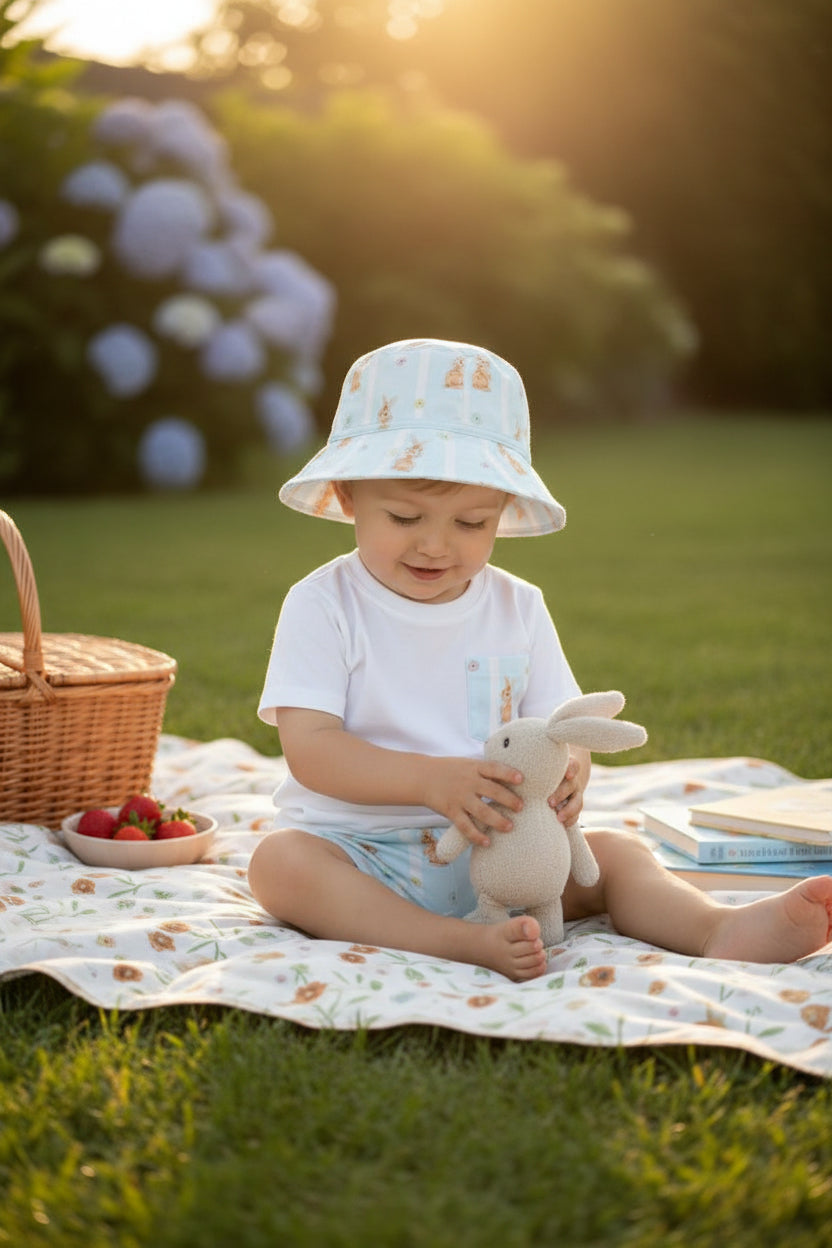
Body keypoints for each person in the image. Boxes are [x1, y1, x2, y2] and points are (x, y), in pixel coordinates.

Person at [248, 338, 832, 980]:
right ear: (348, 494)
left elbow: (560, 726)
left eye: (471, 524)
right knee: (279, 865)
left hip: (503, 854)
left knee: (619, 854)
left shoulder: (517, 606)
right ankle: (449, 941)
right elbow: (313, 748)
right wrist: (430, 782)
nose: (436, 545)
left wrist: (571, 775)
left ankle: (715, 926)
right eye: (406, 516)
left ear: (503, 511)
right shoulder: (323, 604)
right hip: (359, 854)